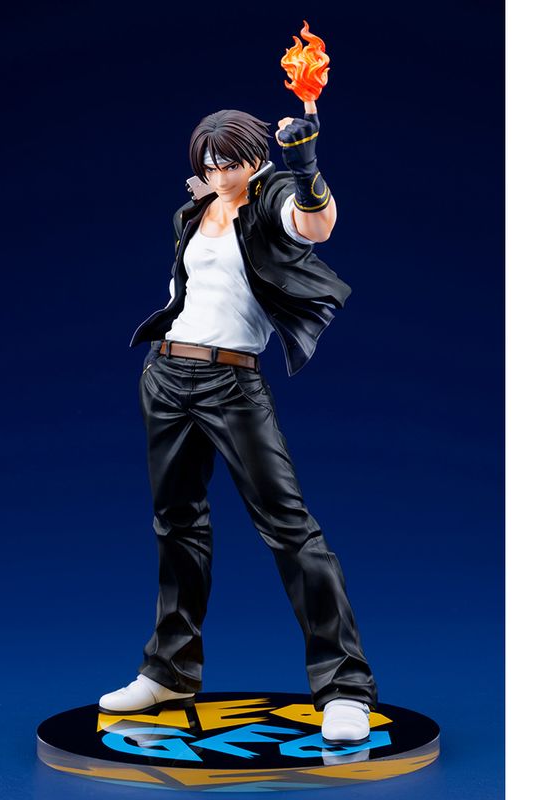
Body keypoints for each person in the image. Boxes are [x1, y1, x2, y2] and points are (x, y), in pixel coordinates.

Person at [98, 109, 378, 744]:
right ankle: (169, 670)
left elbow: (314, 224)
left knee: (289, 527)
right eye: (209, 163)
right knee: (176, 524)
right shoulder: (192, 214)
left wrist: (305, 164)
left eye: (230, 162)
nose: (220, 173)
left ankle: (344, 687)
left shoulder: (271, 199)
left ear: (255, 157)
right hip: (167, 376)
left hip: (232, 382)